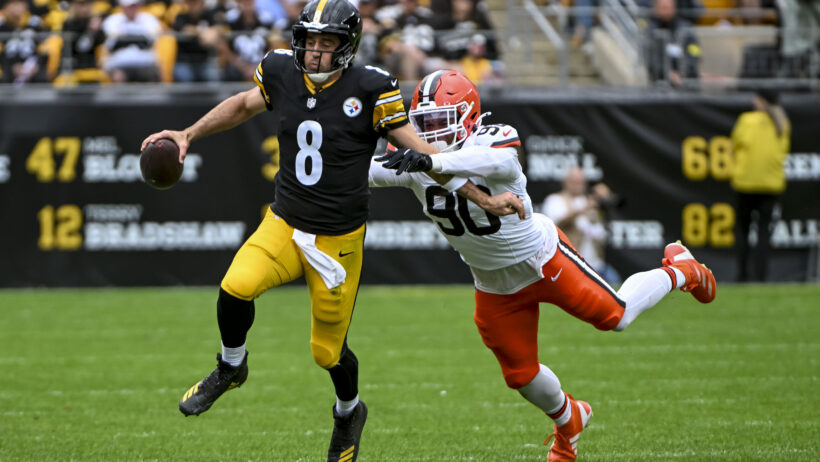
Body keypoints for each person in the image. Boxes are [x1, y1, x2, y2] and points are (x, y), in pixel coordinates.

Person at [140, 2, 523, 461]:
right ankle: (231, 366)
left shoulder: (373, 87)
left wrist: (483, 198)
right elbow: (243, 104)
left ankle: (348, 412)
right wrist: (188, 133)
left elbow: (422, 154)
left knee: (327, 352)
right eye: (311, 41)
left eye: (328, 43)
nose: (317, 52)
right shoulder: (280, 69)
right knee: (234, 287)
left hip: (337, 240)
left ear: (347, 47)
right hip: (284, 221)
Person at [370, 69, 717, 462]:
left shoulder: (492, 139)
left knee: (615, 316)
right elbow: (357, 172)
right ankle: (570, 422)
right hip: (494, 283)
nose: (431, 135)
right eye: (425, 125)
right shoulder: (417, 159)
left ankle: (681, 269)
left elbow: (488, 160)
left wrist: (426, 158)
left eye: (440, 124)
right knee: (520, 376)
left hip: (542, 258)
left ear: (468, 117)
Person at [730, 89, 791, 282]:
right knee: (764, 232)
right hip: (770, 186)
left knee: (743, 230)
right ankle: (761, 277)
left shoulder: (747, 120)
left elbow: (734, 146)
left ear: (761, 101)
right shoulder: (783, 123)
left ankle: (742, 276)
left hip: (745, 183)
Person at [542, 167, 621, 285]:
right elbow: (557, 223)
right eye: (574, 182)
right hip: (571, 266)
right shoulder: (555, 200)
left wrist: (603, 198)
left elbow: (602, 229)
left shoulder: (590, 201)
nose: (578, 185)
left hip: (596, 265)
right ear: (565, 182)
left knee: (617, 286)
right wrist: (584, 208)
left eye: (580, 182)